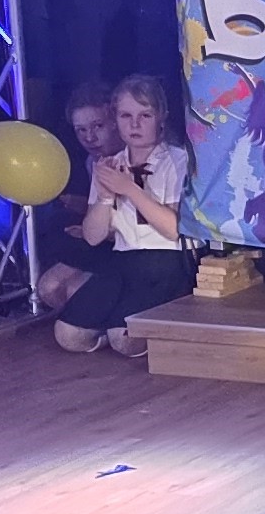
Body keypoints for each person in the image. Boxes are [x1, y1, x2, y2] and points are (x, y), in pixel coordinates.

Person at [53, 74, 191, 357]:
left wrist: (129, 189)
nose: (135, 125)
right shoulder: (110, 164)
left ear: (161, 117)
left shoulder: (177, 159)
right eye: (126, 116)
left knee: (126, 340)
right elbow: (93, 237)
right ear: (115, 119)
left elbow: (173, 229)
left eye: (145, 115)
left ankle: (139, 329)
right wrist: (105, 196)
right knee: (68, 335)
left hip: (166, 261)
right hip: (123, 260)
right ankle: (110, 330)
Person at [37, 83, 117, 315]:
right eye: (81, 130)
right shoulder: (93, 162)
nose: (89, 137)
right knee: (49, 288)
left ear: (115, 121)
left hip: (133, 248)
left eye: (98, 126)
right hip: (103, 243)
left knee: (75, 289)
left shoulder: (140, 157)